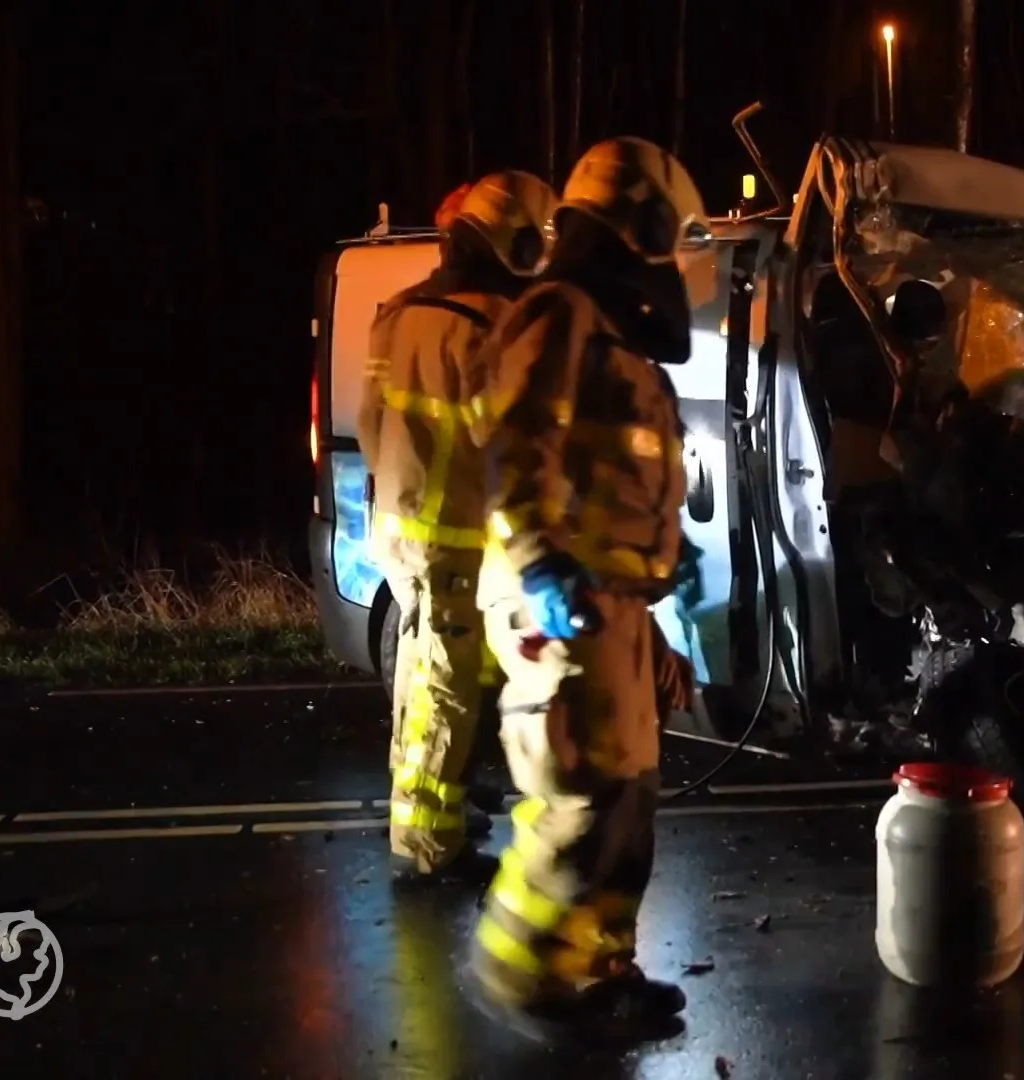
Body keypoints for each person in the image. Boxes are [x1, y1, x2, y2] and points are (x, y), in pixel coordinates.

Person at [468, 136, 709, 1039]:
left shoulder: (613, 334)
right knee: (577, 798)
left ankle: (604, 971)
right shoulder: (560, 312)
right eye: (667, 230)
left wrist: (661, 559)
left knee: (625, 802)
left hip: (614, 601)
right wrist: (539, 564)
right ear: (639, 220)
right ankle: (520, 973)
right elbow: (518, 441)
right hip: (563, 597)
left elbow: (621, 466)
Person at [356, 170, 560, 883]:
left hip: (400, 529)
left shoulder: (402, 310)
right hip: (456, 535)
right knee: (443, 690)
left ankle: (424, 820)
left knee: (421, 680)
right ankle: (430, 850)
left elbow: (367, 420)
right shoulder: (494, 328)